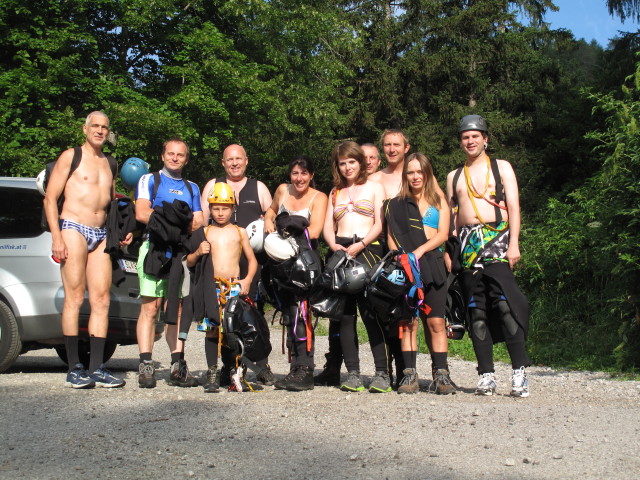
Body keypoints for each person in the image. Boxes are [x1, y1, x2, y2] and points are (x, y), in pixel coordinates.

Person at [44, 111, 131, 389]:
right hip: (73, 226)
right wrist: (57, 236)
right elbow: (50, 198)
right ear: (85, 129)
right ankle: (73, 368)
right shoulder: (71, 157)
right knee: (74, 297)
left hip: (101, 232)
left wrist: (120, 233)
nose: (100, 130)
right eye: (95, 126)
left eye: (104, 127)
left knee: (102, 299)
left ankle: (96, 368)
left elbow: (111, 204)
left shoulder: (111, 163)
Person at [445, 114, 530, 397]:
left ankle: (519, 373)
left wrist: (514, 243)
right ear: (461, 142)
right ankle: (486, 375)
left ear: (485, 139)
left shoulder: (501, 167)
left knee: (506, 305)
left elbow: (515, 207)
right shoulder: (453, 176)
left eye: (475, 136)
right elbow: (449, 217)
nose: (470, 141)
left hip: (498, 238)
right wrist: (449, 251)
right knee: (476, 311)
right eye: (465, 137)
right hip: (468, 245)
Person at [199, 144, 275, 385]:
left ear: (246, 160)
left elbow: (272, 216)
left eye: (238, 159)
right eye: (229, 159)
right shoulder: (213, 185)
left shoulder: (259, 187)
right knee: (220, 324)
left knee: (252, 319)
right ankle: (227, 368)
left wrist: (267, 221)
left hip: (249, 267)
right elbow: (202, 221)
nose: (234, 163)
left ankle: (261, 365)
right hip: (220, 268)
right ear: (223, 162)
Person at [385, 153, 456, 394]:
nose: (415, 176)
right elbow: (391, 238)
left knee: (436, 322)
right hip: (405, 267)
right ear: (405, 175)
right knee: (408, 323)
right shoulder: (395, 204)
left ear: (428, 173)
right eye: (410, 172)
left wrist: (419, 252)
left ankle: (441, 374)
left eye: (420, 172)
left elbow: (443, 234)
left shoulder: (438, 201)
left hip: (432, 264)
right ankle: (409, 375)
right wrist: (402, 259)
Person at [135, 138, 203, 389]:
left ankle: (177, 365)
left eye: (180, 155)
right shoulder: (149, 180)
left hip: (178, 253)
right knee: (150, 308)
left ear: (186, 159)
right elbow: (141, 212)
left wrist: (165, 216)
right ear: (163, 156)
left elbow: (198, 221)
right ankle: (145, 365)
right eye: (171, 154)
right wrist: (176, 220)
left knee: (176, 309)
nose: (175, 158)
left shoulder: (191, 187)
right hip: (154, 247)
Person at [322, 141, 390, 393]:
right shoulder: (335, 192)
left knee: (371, 313)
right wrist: (333, 244)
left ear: (360, 162)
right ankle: (353, 373)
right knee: (345, 315)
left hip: (368, 250)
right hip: (341, 251)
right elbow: (328, 225)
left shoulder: (374, 187)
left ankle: (382, 373)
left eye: (352, 161)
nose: (348, 167)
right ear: (337, 166)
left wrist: (362, 244)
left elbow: (380, 223)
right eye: (343, 163)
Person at [185, 182, 258, 393]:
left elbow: (252, 261)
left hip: (233, 287)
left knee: (232, 332)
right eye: (215, 208)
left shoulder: (240, 232)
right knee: (211, 331)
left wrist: (247, 281)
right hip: (211, 288)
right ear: (209, 208)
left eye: (225, 208)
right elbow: (189, 262)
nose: (220, 212)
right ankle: (211, 372)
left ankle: (232, 370)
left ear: (233, 208)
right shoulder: (204, 232)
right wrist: (198, 252)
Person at [263, 156, 328, 391]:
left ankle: (306, 368)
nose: (299, 178)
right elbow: (270, 211)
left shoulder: (319, 197)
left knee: (302, 313)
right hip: (281, 263)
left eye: (304, 174)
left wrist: (288, 230)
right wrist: (269, 221)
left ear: (311, 175)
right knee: (289, 313)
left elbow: (316, 230)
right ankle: (295, 367)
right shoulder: (282, 190)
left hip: (304, 263)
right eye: (295, 173)